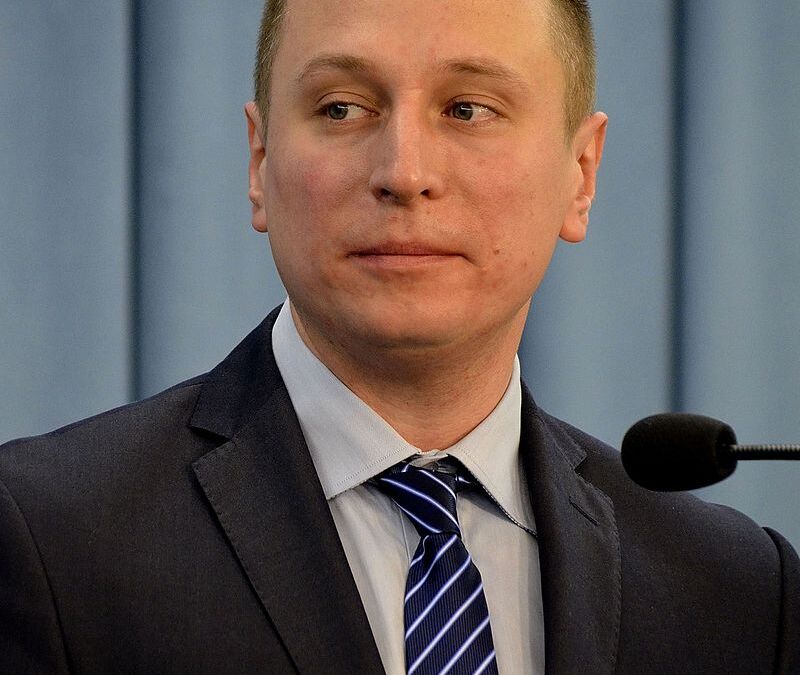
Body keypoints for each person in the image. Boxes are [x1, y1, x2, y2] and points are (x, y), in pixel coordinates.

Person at [1, 0, 797, 673]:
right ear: (259, 159)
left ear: (581, 174)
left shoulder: (740, 594)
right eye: (342, 108)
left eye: (467, 109)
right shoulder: (47, 538)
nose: (404, 172)